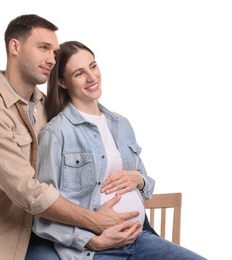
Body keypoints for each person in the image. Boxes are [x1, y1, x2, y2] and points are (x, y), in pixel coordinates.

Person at [0, 15, 144, 260]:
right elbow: (29, 191)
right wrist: (95, 222)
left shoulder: (47, 109)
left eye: (55, 52)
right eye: (43, 48)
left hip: (38, 238)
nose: (51, 59)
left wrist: (137, 179)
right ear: (14, 47)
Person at [32, 40, 207, 259]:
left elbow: (144, 181)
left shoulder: (120, 124)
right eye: (79, 73)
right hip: (93, 250)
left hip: (139, 238)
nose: (92, 77)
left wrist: (138, 179)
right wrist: (92, 240)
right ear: (62, 82)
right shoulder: (56, 133)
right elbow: (44, 211)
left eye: (93, 66)